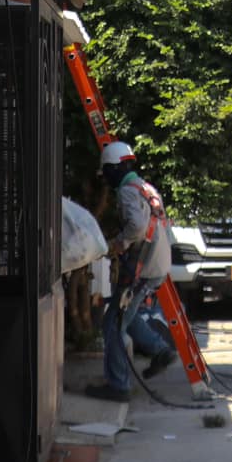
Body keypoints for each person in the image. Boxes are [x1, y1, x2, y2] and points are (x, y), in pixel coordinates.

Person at [84, 141, 177, 403]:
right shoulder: (146, 187)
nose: (107, 179)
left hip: (142, 267)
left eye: (107, 172)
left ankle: (118, 385)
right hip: (157, 264)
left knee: (113, 323)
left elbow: (136, 227)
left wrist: (118, 244)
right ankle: (159, 351)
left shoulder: (126, 190)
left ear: (115, 168)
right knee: (125, 314)